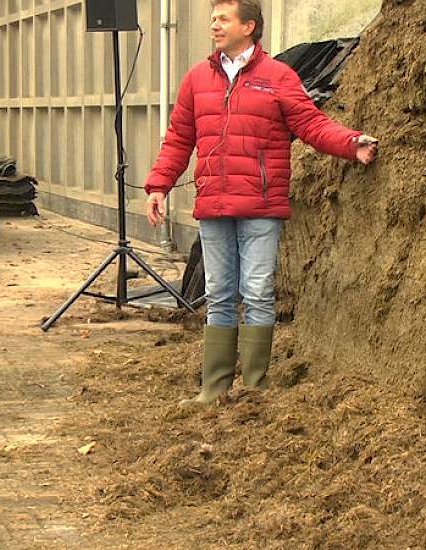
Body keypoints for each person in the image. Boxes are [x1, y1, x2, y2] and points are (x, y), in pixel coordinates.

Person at [143, 0, 378, 406]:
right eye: (212, 19)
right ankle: (214, 388)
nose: (214, 25)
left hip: (261, 205)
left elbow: (310, 123)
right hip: (214, 205)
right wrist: (158, 185)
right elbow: (179, 138)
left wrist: (350, 143)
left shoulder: (278, 77)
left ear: (249, 26)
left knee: (256, 292)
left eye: (223, 19)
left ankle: (253, 387)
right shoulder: (198, 78)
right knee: (219, 294)